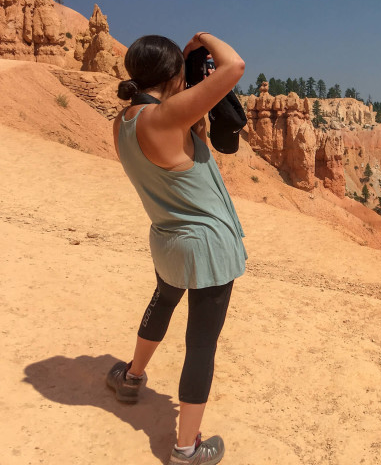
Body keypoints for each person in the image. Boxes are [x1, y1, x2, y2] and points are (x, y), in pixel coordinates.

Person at [106, 32, 246, 465]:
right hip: (206, 246)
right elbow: (234, 67)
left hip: (167, 239)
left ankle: (131, 377)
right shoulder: (164, 118)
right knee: (201, 344)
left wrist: (182, 67)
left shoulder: (124, 121)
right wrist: (202, 39)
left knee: (163, 301)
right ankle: (187, 448)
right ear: (171, 75)